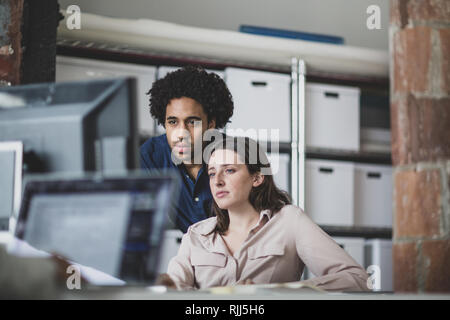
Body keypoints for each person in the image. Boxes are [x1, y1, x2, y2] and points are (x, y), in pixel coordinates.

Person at [161, 136, 370, 292]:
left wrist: (275, 293)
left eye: (230, 170)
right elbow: (173, 289)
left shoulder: (289, 221)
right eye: (212, 173)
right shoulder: (196, 235)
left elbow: (356, 279)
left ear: (257, 178)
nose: (217, 181)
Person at [140, 66, 234, 233]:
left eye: (192, 122)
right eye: (173, 122)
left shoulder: (235, 156)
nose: (181, 133)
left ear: (210, 124)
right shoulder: (152, 155)